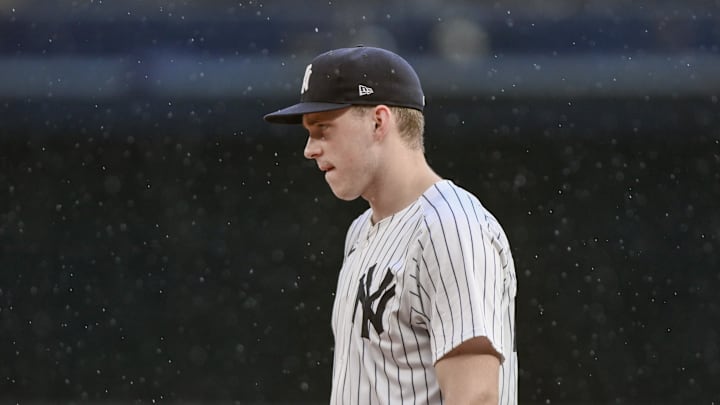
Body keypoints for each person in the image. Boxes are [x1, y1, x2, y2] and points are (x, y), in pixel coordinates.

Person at [264, 46, 517, 405]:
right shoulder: (361, 231)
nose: (310, 149)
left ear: (378, 122)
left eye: (322, 129)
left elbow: (475, 395)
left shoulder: (452, 227)